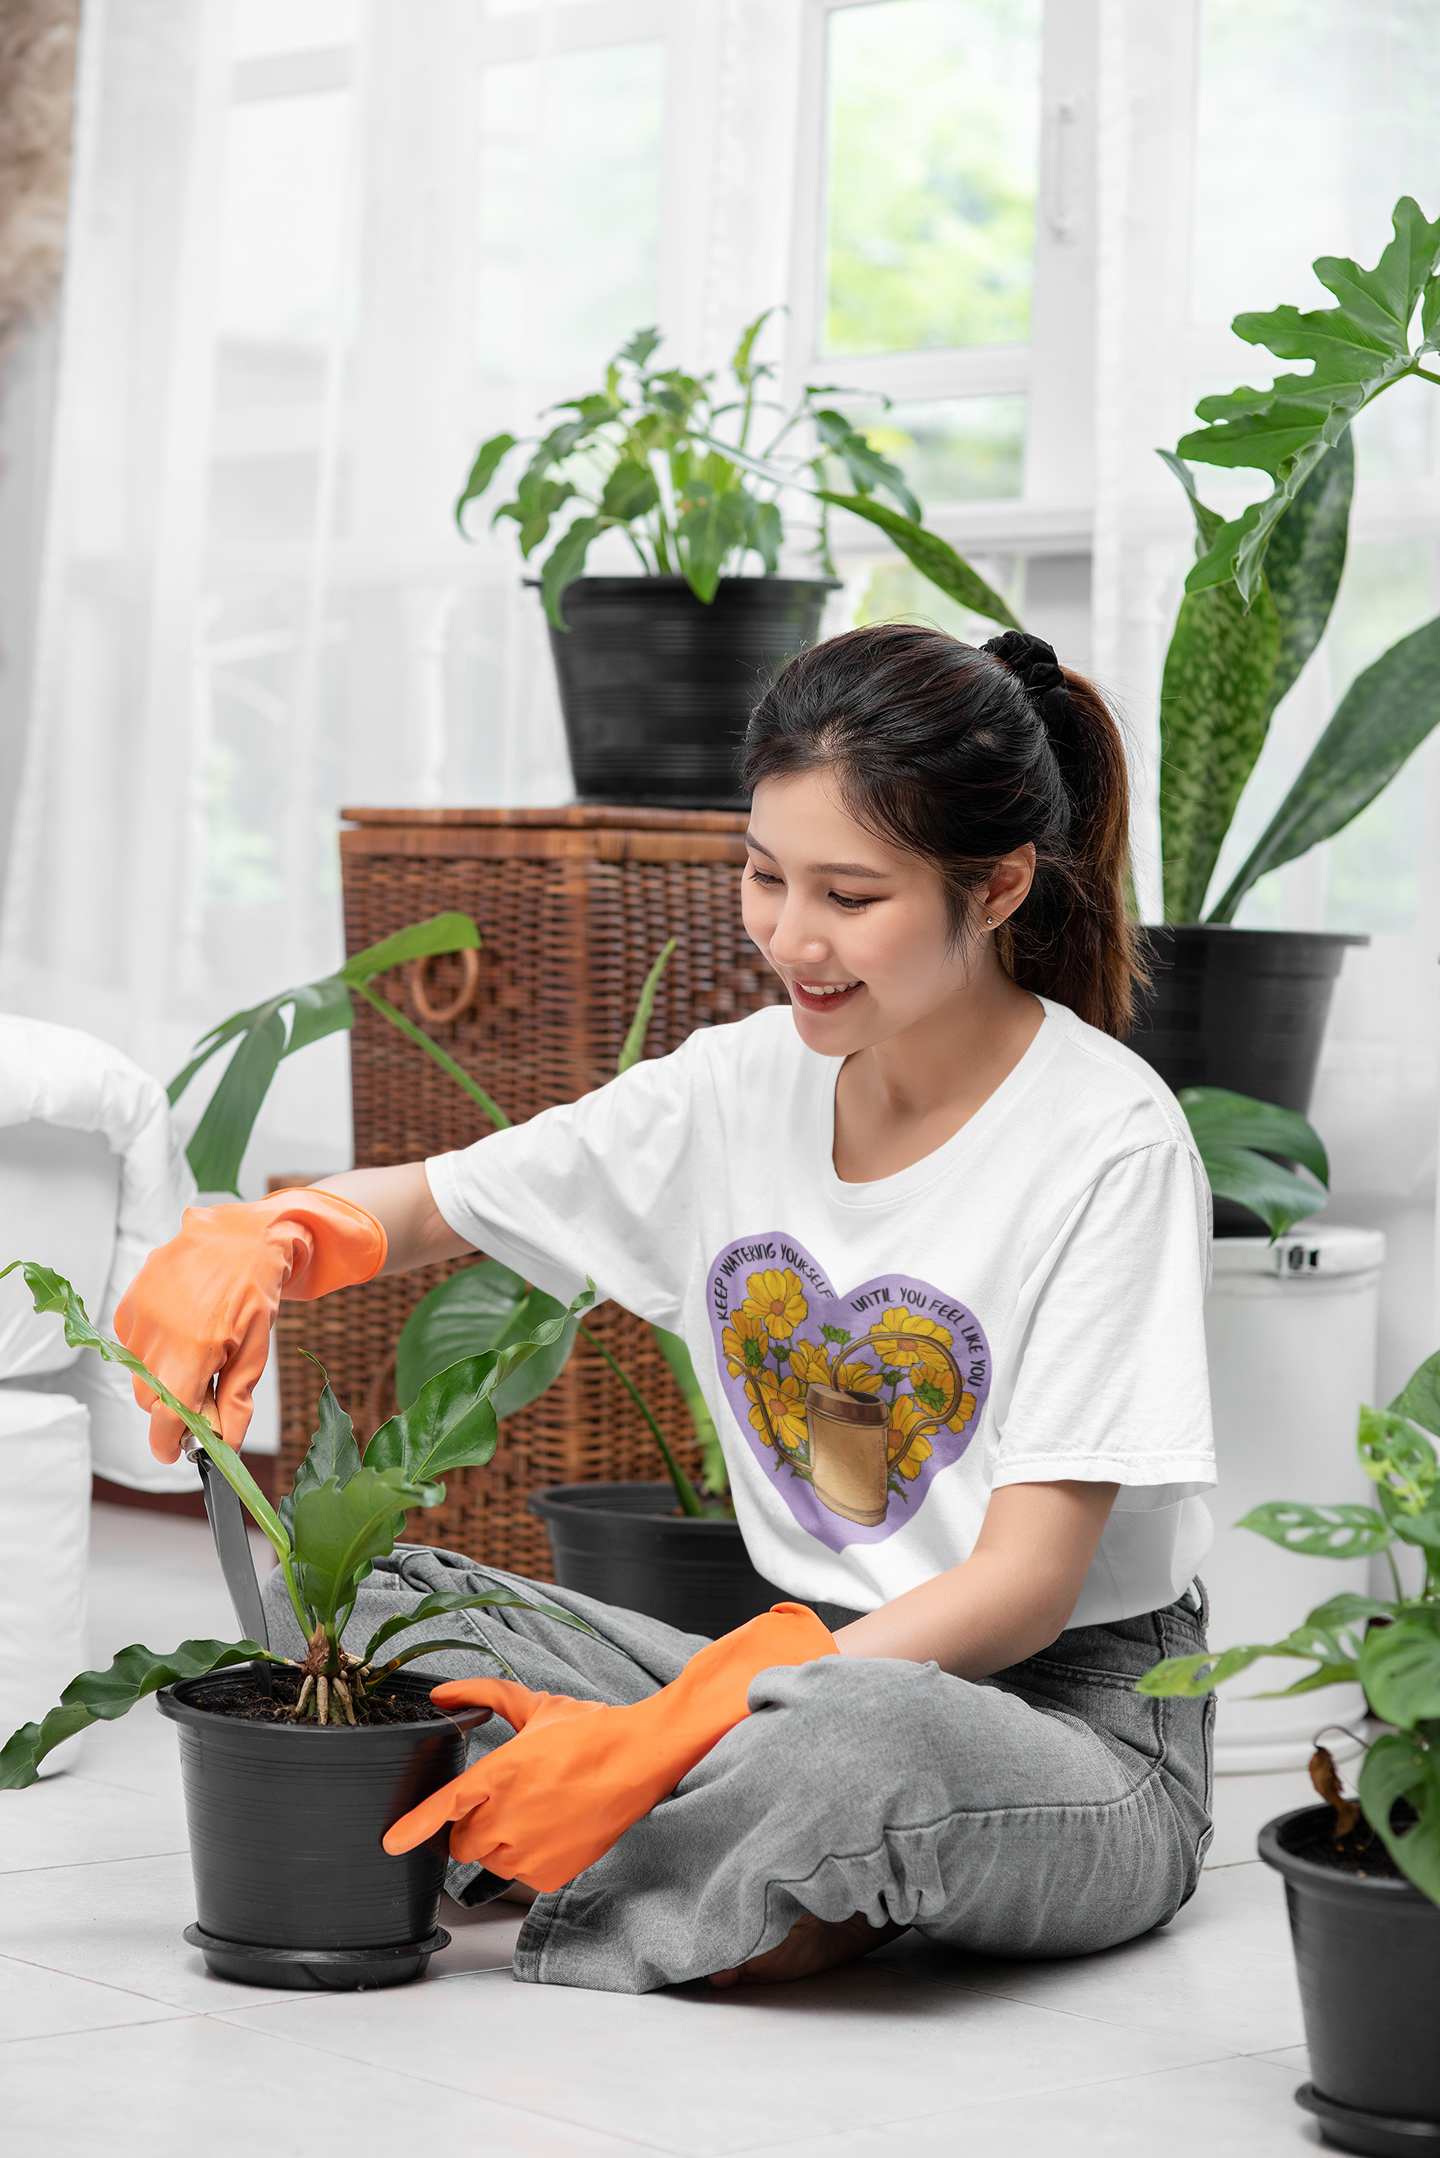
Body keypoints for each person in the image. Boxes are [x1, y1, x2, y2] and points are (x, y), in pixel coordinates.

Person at [117, 624, 1216, 1996]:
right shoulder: (737, 1085)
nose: (792, 938)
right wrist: (269, 1238)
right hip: (790, 1659)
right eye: (764, 875)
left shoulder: (1108, 1138)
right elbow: (435, 1200)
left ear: (994, 887)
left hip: (1072, 1728)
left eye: (852, 894)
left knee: (851, 1742)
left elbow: (1022, 1587)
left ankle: (644, 1833)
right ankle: (742, 1861)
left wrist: (679, 1724)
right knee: (385, 1608)